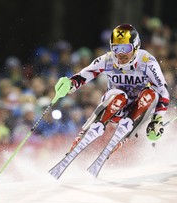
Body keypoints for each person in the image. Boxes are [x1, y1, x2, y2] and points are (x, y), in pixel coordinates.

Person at [64, 23, 170, 152]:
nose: (120, 53)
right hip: (114, 107)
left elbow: (163, 91)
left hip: (137, 109)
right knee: (119, 95)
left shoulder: (147, 61)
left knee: (150, 94)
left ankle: (125, 133)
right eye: (116, 48)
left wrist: (157, 119)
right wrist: (70, 84)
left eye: (125, 48)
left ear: (136, 47)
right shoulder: (108, 59)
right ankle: (87, 132)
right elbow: (86, 74)